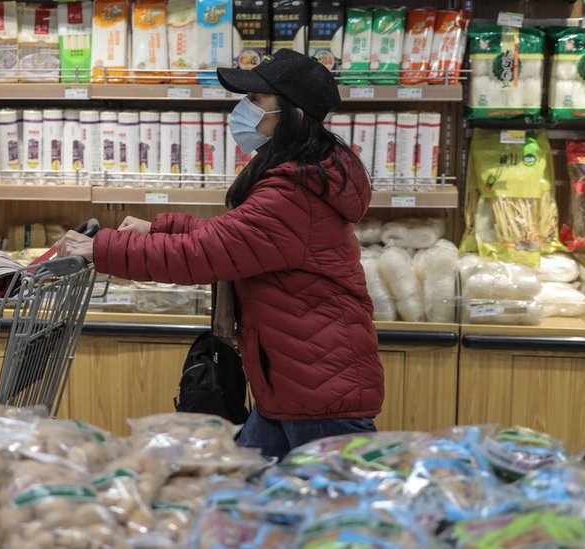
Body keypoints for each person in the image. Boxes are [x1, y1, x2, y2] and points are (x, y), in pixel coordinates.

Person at [57, 49, 384, 460]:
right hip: (297, 378)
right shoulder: (299, 171)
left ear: (294, 114)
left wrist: (102, 248)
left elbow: (208, 252)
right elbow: (238, 239)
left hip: (320, 387)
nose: (243, 108)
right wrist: (158, 228)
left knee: (332, 514)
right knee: (246, 500)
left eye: (256, 100)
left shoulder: (293, 191)